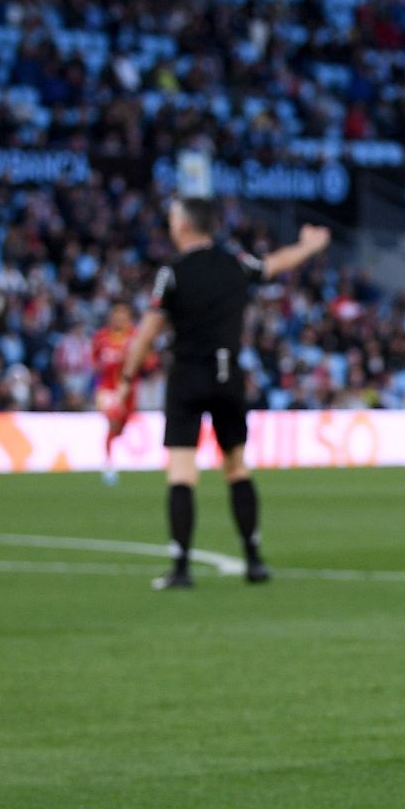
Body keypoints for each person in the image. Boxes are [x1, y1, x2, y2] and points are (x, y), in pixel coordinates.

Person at [106, 198, 330, 590]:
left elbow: (146, 334)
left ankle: (180, 566)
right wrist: (309, 247)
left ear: (185, 226)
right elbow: (276, 264)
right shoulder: (235, 262)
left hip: (187, 377)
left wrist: (126, 379)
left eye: (174, 218)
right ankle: (254, 559)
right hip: (228, 374)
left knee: (181, 472)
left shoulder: (172, 274)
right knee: (237, 467)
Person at [91, 299, 137, 486]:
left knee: (120, 426)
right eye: (116, 314)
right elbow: (95, 362)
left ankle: (111, 455)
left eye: (122, 314)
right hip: (107, 388)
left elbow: (148, 360)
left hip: (128, 389)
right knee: (112, 420)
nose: (118, 318)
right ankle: (108, 465)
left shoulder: (135, 336)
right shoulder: (101, 338)